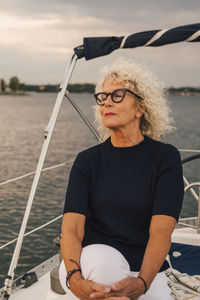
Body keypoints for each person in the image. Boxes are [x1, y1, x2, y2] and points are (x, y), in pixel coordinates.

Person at [59, 59, 184, 300]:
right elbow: (72, 229)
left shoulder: (165, 158)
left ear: (140, 107)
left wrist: (142, 283)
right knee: (105, 270)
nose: (106, 102)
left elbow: (161, 231)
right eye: (102, 97)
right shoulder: (87, 161)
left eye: (117, 95)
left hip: (146, 272)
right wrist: (74, 279)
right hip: (90, 267)